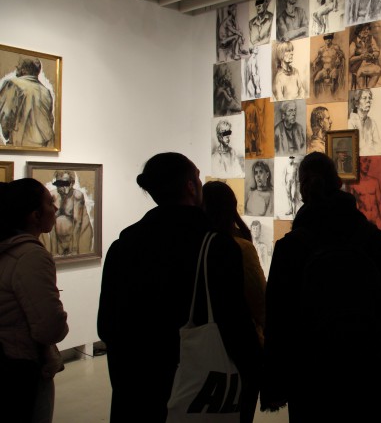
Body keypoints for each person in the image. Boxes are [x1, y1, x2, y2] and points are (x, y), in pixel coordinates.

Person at [98, 153, 261, 422]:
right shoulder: (216, 247)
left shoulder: (123, 246)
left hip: (137, 388)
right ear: (190, 186)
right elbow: (235, 323)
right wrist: (256, 372)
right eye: (197, 177)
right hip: (197, 386)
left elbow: (107, 326)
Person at [262, 152, 381, 421]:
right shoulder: (375, 240)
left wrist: (275, 386)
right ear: (339, 184)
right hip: (368, 376)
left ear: (302, 189)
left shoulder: (290, 248)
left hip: (312, 381)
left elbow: (278, 323)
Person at [0, 178, 68, 423]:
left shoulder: (7, 248)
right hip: (22, 365)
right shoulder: (30, 256)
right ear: (34, 215)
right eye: (50, 203)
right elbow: (50, 327)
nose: (55, 208)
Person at [202, 181, 266, 345]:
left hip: (205, 337)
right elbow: (260, 301)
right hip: (239, 338)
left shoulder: (197, 245)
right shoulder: (241, 247)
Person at [0, 57, 55, 148]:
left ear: (24, 70)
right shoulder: (46, 91)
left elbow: (5, 116)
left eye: (19, 66)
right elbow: (50, 120)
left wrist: (7, 134)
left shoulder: (12, 84)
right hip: (47, 145)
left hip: (22, 143)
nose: (16, 67)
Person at [49, 170, 93, 256]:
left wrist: (74, 249)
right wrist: (53, 251)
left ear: (72, 183)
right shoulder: (53, 196)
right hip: (59, 241)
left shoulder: (77, 196)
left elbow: (78, 223)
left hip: (72, 240)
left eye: (65, 183)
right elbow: (51, 225)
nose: (61, 187)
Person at [348, 156, 381, 230]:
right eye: (364, 161)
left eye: (369, 162)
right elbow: (353, 207)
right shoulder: (353, 184)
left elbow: (380, 203)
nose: (367, 164)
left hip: (376, 219)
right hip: (363, 220)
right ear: (358, 163)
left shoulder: (374, 182)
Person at [348, 88, 381, 155]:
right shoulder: (351, 122)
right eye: (364, 98)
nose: (368, 101)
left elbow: (379, 148)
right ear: (356, 103)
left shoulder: (372, 123)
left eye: (369, 98)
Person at [349, 23, 381, 89]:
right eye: (364, 30)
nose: (367, 31)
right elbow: (350, 59)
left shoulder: (371, 38)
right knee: (360, 74)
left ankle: (369, 88)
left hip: (369, 64)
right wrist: (360, 57)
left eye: (368, 29)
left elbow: (377, 51)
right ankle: (364, 89)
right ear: (359, 31)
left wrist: (372, 55)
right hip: (358, 66)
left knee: (378, 70)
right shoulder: (353, 43)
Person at [311, 34, 345, 98]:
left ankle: (333, 96)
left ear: (332, 39)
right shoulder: (321, 49)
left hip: (333, 69)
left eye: (330, 38)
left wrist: (338, 58)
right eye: (326, 38)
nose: (328, 40)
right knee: (316, 80)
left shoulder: (336, 47)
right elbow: (318, 57)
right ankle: (316, 97)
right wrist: (314, 62)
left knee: (334, 79)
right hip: (324, 70)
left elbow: (342, 55)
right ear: (324, 39)